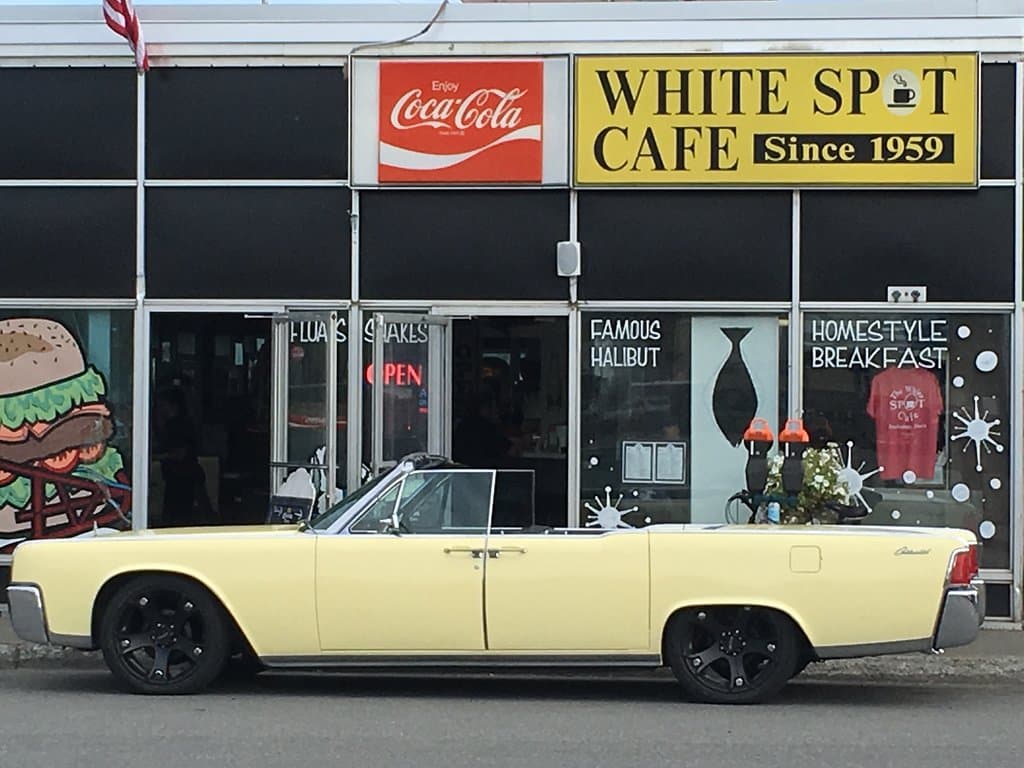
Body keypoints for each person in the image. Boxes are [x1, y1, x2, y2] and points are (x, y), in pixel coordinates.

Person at [153, 387, 213, 526]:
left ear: (172, 405)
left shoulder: (178, 425)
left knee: (179, 519)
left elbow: (180, 453)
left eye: (162, 405)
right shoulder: (174, 424)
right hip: (179, 478)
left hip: (183, 478)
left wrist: (157, 457)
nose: (160, 409)